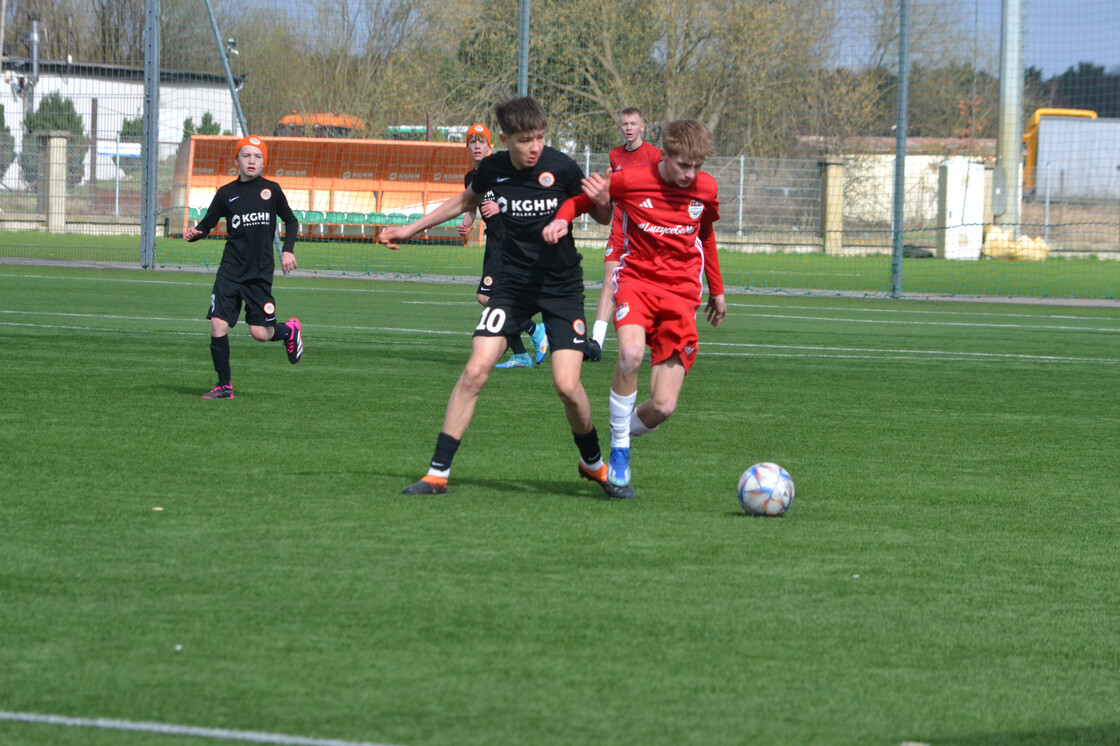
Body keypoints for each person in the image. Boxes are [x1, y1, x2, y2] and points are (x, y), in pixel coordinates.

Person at [379, 96, 632, 499]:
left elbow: (601, 216)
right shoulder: (492, 169)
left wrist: (602, 198)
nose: (534, 147)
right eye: (525, 139)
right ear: (505, 138)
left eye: (540, 137)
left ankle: (593, 463)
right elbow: (464, 201)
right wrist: (411, 229)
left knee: (567, 385)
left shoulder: (562, 166)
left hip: (561, 285)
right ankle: (437, 473)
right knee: (476, 370)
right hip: (512, 287)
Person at [543, 120, 727, 488]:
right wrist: (563, 220)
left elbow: (705, 233)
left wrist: (717, 289)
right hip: (636, 283)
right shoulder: (633, 178)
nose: (690, 174)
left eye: (697, 167)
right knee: (629, 355)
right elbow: (581, 201)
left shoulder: (705, 188)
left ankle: (618, 429)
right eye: (683, 165)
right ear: (666, 155)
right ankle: (620, 450)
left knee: (663, 406)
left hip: (682, 295)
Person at [184, 135, 303, 399]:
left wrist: (287, 250)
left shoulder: (271, 190)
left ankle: (289, 330)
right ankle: (224, 385)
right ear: (236, 160)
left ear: (264, 162)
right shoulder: (226, 193)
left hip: (258, 274)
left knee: (260, 333)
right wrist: (196, 232)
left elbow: (291, 222)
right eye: (246, 155)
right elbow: (208, 223)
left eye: (257, 156)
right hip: (230, 270)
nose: (252, 160)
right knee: (217, 324)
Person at [457, 122, 549, 369]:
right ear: (467, 147)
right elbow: (473, 208)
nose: (477, 146)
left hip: (509, 241)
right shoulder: (470, 177)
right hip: (493, 241)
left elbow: (522, 199)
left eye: (481, 142)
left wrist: (501, 206)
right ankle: (521, 353)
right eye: (472, 142)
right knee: (494, 298)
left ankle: (534, 329)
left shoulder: (501, 171)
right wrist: (466, 223)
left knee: (487, 297)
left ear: (490, 146)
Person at [586, 107, 662, 363]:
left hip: (646, 230)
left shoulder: (655, 155)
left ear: (643, 126)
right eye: (624, 124)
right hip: (620, 226)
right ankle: (595, 341)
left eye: (633, 123)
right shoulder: (614, 155)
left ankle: (657, 336)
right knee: (609, 281)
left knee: (649, 284)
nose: (628, 127)